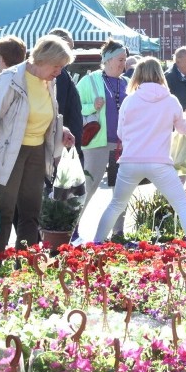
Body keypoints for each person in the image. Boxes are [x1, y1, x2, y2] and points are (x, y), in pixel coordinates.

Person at [0, 35, 76, 260]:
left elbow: (45, 115)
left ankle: (25, 269)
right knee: (3, 214)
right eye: (57, 66)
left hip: (36, 152)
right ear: (44, 59)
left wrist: (61, 130)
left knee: (31, 214)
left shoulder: (49, 81)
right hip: (8, 154)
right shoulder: (10, 78)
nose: (59, 72)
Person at [93, 58, 186, 241]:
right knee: (181, 205)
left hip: (130, 162)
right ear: (159, 74)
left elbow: (120, 132)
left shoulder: (130, 100)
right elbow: (184, 129)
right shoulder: (170, 100)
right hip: (160, 162)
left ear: (137, 75)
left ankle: (96, 243)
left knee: (116, 205)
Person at [75, 38, 128, 237]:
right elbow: (75, 108)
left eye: (124, 59)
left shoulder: (127, 82)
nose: (123, 63)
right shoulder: (89, 81)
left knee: (120, 190)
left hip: (121, 144)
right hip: (96, 142)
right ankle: (72, 228)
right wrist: (92, 106)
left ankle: (118, 232)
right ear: (107, 60)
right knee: (89, 187)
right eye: (120, 59)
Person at [47, 29, 84, 160]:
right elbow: (58, 108)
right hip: (63, 142)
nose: (71, 54)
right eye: (69, 48)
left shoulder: (61, 73)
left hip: (66, 139)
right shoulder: (58, 74)